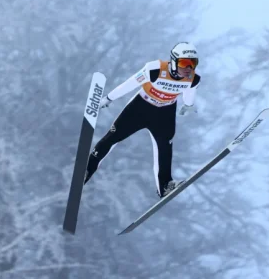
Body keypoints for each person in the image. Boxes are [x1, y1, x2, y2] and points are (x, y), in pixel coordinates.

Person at [84, 42, 201, 198]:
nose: (188, 68)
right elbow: (130, 84)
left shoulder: (193, 78)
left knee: (165, 148)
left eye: (193, 63)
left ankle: (165, 186)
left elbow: (189, 93)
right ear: (173, 61)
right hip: (140, 108)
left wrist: (188, 105)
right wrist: (109, 98)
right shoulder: (155, 69)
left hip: (164, 114)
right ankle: (87, 170)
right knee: (112, 137)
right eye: (184, 63)